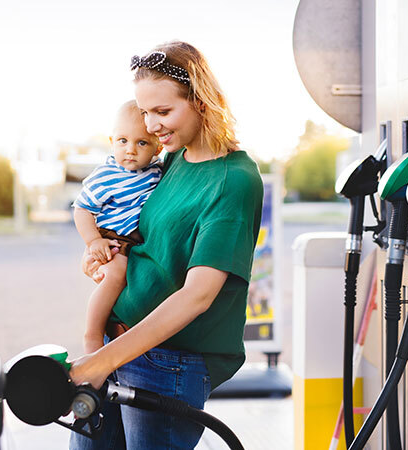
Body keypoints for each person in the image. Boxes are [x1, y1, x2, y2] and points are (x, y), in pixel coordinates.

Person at [69, 41, 263, 449]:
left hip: (168, 363)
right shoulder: (173, 159)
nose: (151, 126)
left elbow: (197, 296)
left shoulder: (233, 181)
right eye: (144, 112)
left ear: (201, 101)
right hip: (117, 347)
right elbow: (146, 236)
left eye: (163, 111)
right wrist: (101, 247)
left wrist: (102, 362)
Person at [72, 100, 162, 354]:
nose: (130, 150)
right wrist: (93, 242)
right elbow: (82, 209)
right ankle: (92, 334)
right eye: (122, 141)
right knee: (115, 274)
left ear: (157, 148)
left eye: (141, 142)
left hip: (134, 240)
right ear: (112, 141)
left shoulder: (156, 170)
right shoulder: (107, 175)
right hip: (112, 238)